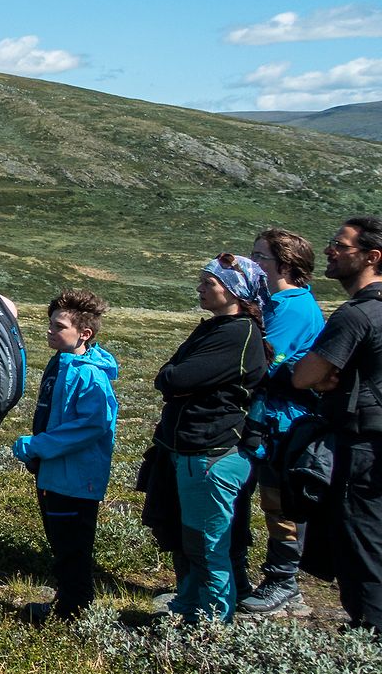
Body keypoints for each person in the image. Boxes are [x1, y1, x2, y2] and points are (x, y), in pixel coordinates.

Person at [153, 253, 269, 622]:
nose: (201, 288)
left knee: (206, 546)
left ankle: (213, 623)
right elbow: (171, 378)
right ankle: (189, 607)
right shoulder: (217, 328)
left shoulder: (237, 334)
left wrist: (175, 379)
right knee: (192, 542)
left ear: (234, 291)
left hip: (210, 451)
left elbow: (173, 379)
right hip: (194, 447)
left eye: (210, 283)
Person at [291, 216, 382, 630]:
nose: (329, 250)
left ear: (371, 256)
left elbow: (306, 376)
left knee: (362, 549)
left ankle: (369, 643)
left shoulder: (357, 315)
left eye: (340, 246)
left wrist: (330, 379)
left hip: (362, 448)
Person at [10, 289, 119, 622]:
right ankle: (69, 605)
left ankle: (73, 612)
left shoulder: (89, 375)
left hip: (74, 477)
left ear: (83, 333)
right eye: (51, 324)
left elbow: (91, 426)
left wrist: (37, 446)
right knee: (62, 544)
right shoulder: (62, 363)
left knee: (72, 548)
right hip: (55, 473)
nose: (50, 331)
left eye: (59, 326)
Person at [237, 228, 325, 614]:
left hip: (281, 422)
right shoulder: (277, 302)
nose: (254, 264)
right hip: (268, 417)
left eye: (261, 257)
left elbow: (263, 360)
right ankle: (241, 576)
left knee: (278, 504)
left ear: (285, 264)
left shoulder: (291, 307)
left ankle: (283, 582)